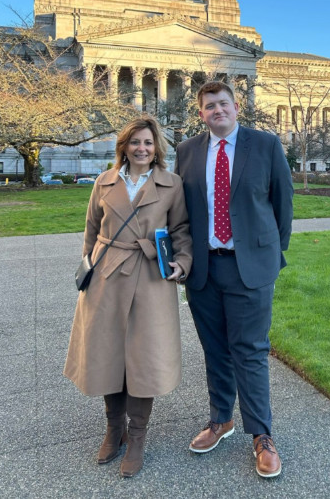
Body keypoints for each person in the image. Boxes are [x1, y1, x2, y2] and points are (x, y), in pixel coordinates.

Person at [175, 81, 293, 478]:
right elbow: (182, 211)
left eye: (223, 103)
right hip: (205, 269)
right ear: (201, 113)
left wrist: (270, 254)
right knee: (215, 349)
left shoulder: (265, 145)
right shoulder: (187, 151)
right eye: (209, 106)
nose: (217, 110)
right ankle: (220, 419)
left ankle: (261, 434)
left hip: (251, 268)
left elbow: (283, 205)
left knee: (251, 350)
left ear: (237, 106)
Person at [64, 114, 193, 478]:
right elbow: (91, 230)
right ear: (124, 146)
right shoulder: (103, 182)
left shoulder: (172, 184)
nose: (142, 148)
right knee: (108, 355)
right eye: (135, 142)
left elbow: (182, 229)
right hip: (106, 279)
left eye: (148, 143)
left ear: (156, 149)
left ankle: (137, 437)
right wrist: (88, 266)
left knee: (143, 359)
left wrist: (182, 262)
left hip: (151, 278)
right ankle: (114, 429)